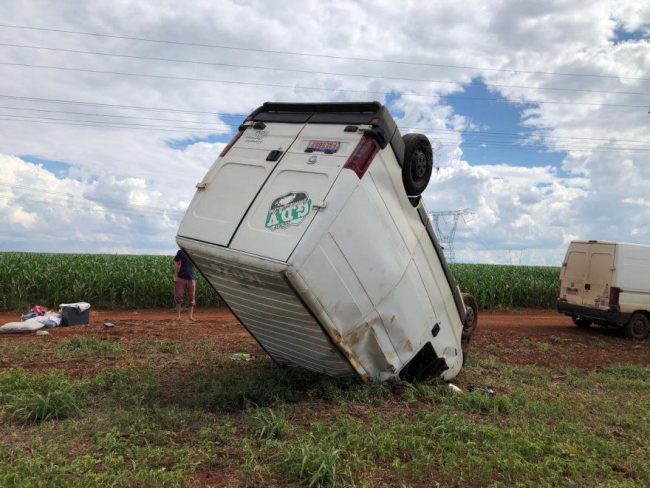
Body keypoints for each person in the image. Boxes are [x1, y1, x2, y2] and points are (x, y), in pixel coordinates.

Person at [173, 249, 196, 321]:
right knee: (178, 297)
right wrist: (175, 276)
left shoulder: (194, 251)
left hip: (191, 278)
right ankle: (178, 316)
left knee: (192, 298)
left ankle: (190, 316)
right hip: (181, 278)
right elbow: (176, 263)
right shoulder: (181, 252)